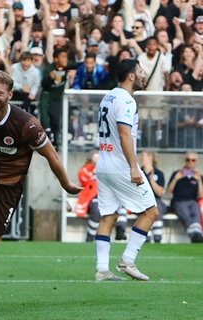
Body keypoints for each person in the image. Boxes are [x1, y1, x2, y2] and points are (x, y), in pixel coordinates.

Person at [0, 70, 82, 314]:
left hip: (11, 188)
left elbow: (50, 154)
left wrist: (65, 183)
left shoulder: (26, 123)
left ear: (9, 95)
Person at [94, 59, 159, 282]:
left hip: (103, 164)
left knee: (109, 215)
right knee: (151, 211)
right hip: (120, 165)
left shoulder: (108, 96)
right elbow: (124, 134)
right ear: (131, 76)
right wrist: (133, 166)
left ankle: (102, 269)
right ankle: (128, 261)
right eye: (140, 71)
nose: (143, 75)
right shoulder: (127, 100)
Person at [165, 152, 203, 243]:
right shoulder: (176, 173)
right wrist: (176, 179)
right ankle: (195, 234)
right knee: (185, 215)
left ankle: (196, 234)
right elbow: (168, 192)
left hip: (192, 201)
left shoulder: (198, 176)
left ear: (196, 162)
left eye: (193, 160)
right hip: (179, 201)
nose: (190, 162)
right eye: (188, 160)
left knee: (196, 213)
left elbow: (201, 195)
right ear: (185, 161)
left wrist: (198, 181)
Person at [139, 150, 167, 243]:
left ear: (150, 157)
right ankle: (146, 236)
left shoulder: (159, 173)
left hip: (156, 199)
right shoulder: (138, 172)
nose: (141, 158)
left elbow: (159, 193)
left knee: (157, 206)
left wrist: (151, 180)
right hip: (141, 199)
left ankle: (157, 237)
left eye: (143, 155)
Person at [75, 151, 100, 242]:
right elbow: (83, 179)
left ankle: (120, 231)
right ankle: (90, 236)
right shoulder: (86, 169)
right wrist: (92, 166)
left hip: (105, 196)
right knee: (96, 210)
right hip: (91, 198)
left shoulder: (105, 168)